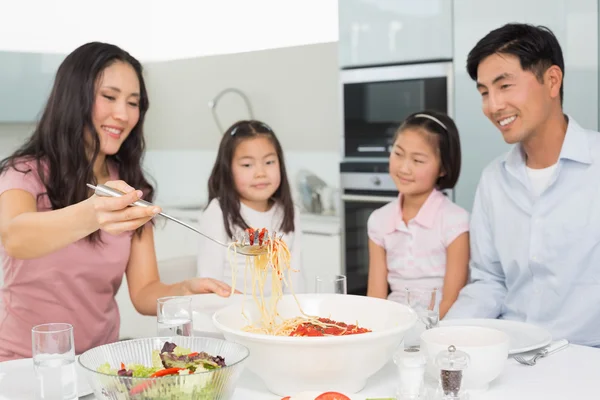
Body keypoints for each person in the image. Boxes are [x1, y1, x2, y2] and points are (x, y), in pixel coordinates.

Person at [0, 42, 232, 361]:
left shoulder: (130, 187)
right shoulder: (24, 173)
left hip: (100, 364)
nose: (123, 114)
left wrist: (184, 291)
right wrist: (95, 211)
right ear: (74, 97)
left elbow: (145, 292)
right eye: (109, 97)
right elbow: (16, 237)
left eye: (133, 103)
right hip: (25, 365)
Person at [444, 23, 600, 346]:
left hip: (585, 363)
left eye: (504, 86)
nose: (493, 106)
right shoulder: (493, 181)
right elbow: (489, 282)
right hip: (511, 357)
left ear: (552, 81)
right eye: (485, 92)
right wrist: (442, 337)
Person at [366, 111, 469, 319]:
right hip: (392, 326)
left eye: (418, 160)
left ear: (443, 169)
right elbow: (375, 298)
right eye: (398, 153)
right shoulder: (379, 220)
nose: (404, 167)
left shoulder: (455, 221)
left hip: (439, 328)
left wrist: (421, 335)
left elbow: (452, 299)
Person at [196, 120, 304, 295]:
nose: (260, 173)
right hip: (227, 314)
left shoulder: (291, 212)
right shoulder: (218, 212)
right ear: (227, 170)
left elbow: (296, 278)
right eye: (247, 165)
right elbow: (209, 282)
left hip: (277, 317)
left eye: (269, 162)